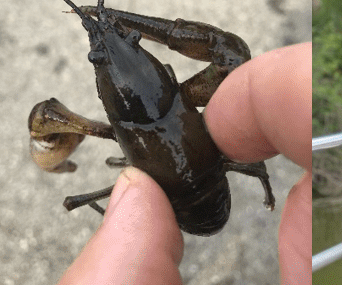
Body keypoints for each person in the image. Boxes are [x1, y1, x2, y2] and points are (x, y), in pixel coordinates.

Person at [56, 42, 311, 285]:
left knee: (100, 200)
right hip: (198, 200)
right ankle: (268, 195)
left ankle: (115, 221)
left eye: (134, 39)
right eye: (96, 59)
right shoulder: (173, 92)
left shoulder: (120, 118)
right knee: (256, 163)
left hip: (207, 199)